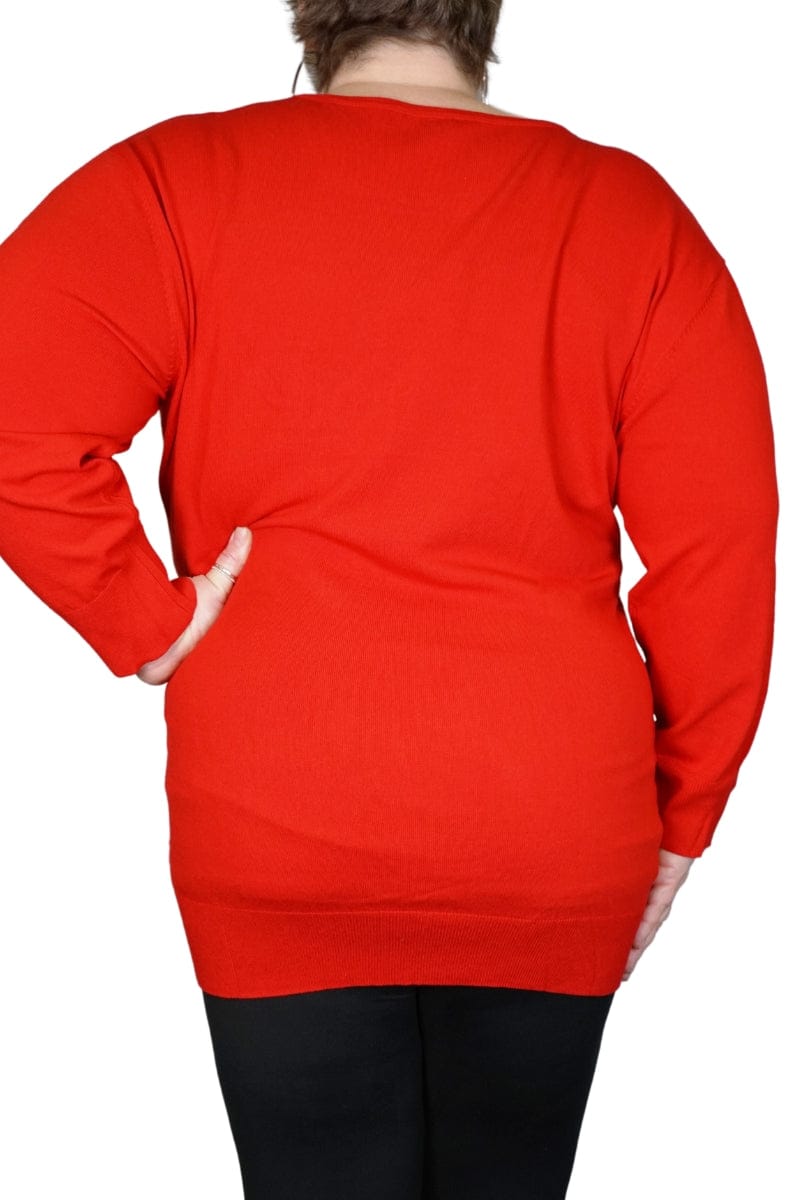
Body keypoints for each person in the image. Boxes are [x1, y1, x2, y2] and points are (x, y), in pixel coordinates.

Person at [0, 2, 779, 1197]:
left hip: (276, 813)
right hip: (549, 824)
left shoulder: (173, 181)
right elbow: (719, 548)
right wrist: (684, 813)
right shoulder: (628, 214)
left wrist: (141, 617)